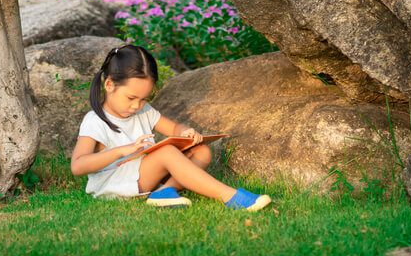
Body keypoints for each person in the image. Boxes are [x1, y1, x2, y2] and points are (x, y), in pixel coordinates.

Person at [70, 44, 271, 210]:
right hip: (116, 183)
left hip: (143, 176)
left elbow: (174, 129)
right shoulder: (95, 120)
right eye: (131, 98)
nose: (136, 106)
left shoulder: (144, 111)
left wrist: (185, 133)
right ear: (109, 85)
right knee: (166, 152)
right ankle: (230, 196)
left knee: (201, 151)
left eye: (143, 99)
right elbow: (78, 166)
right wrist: (122, 150)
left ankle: (162, 193)